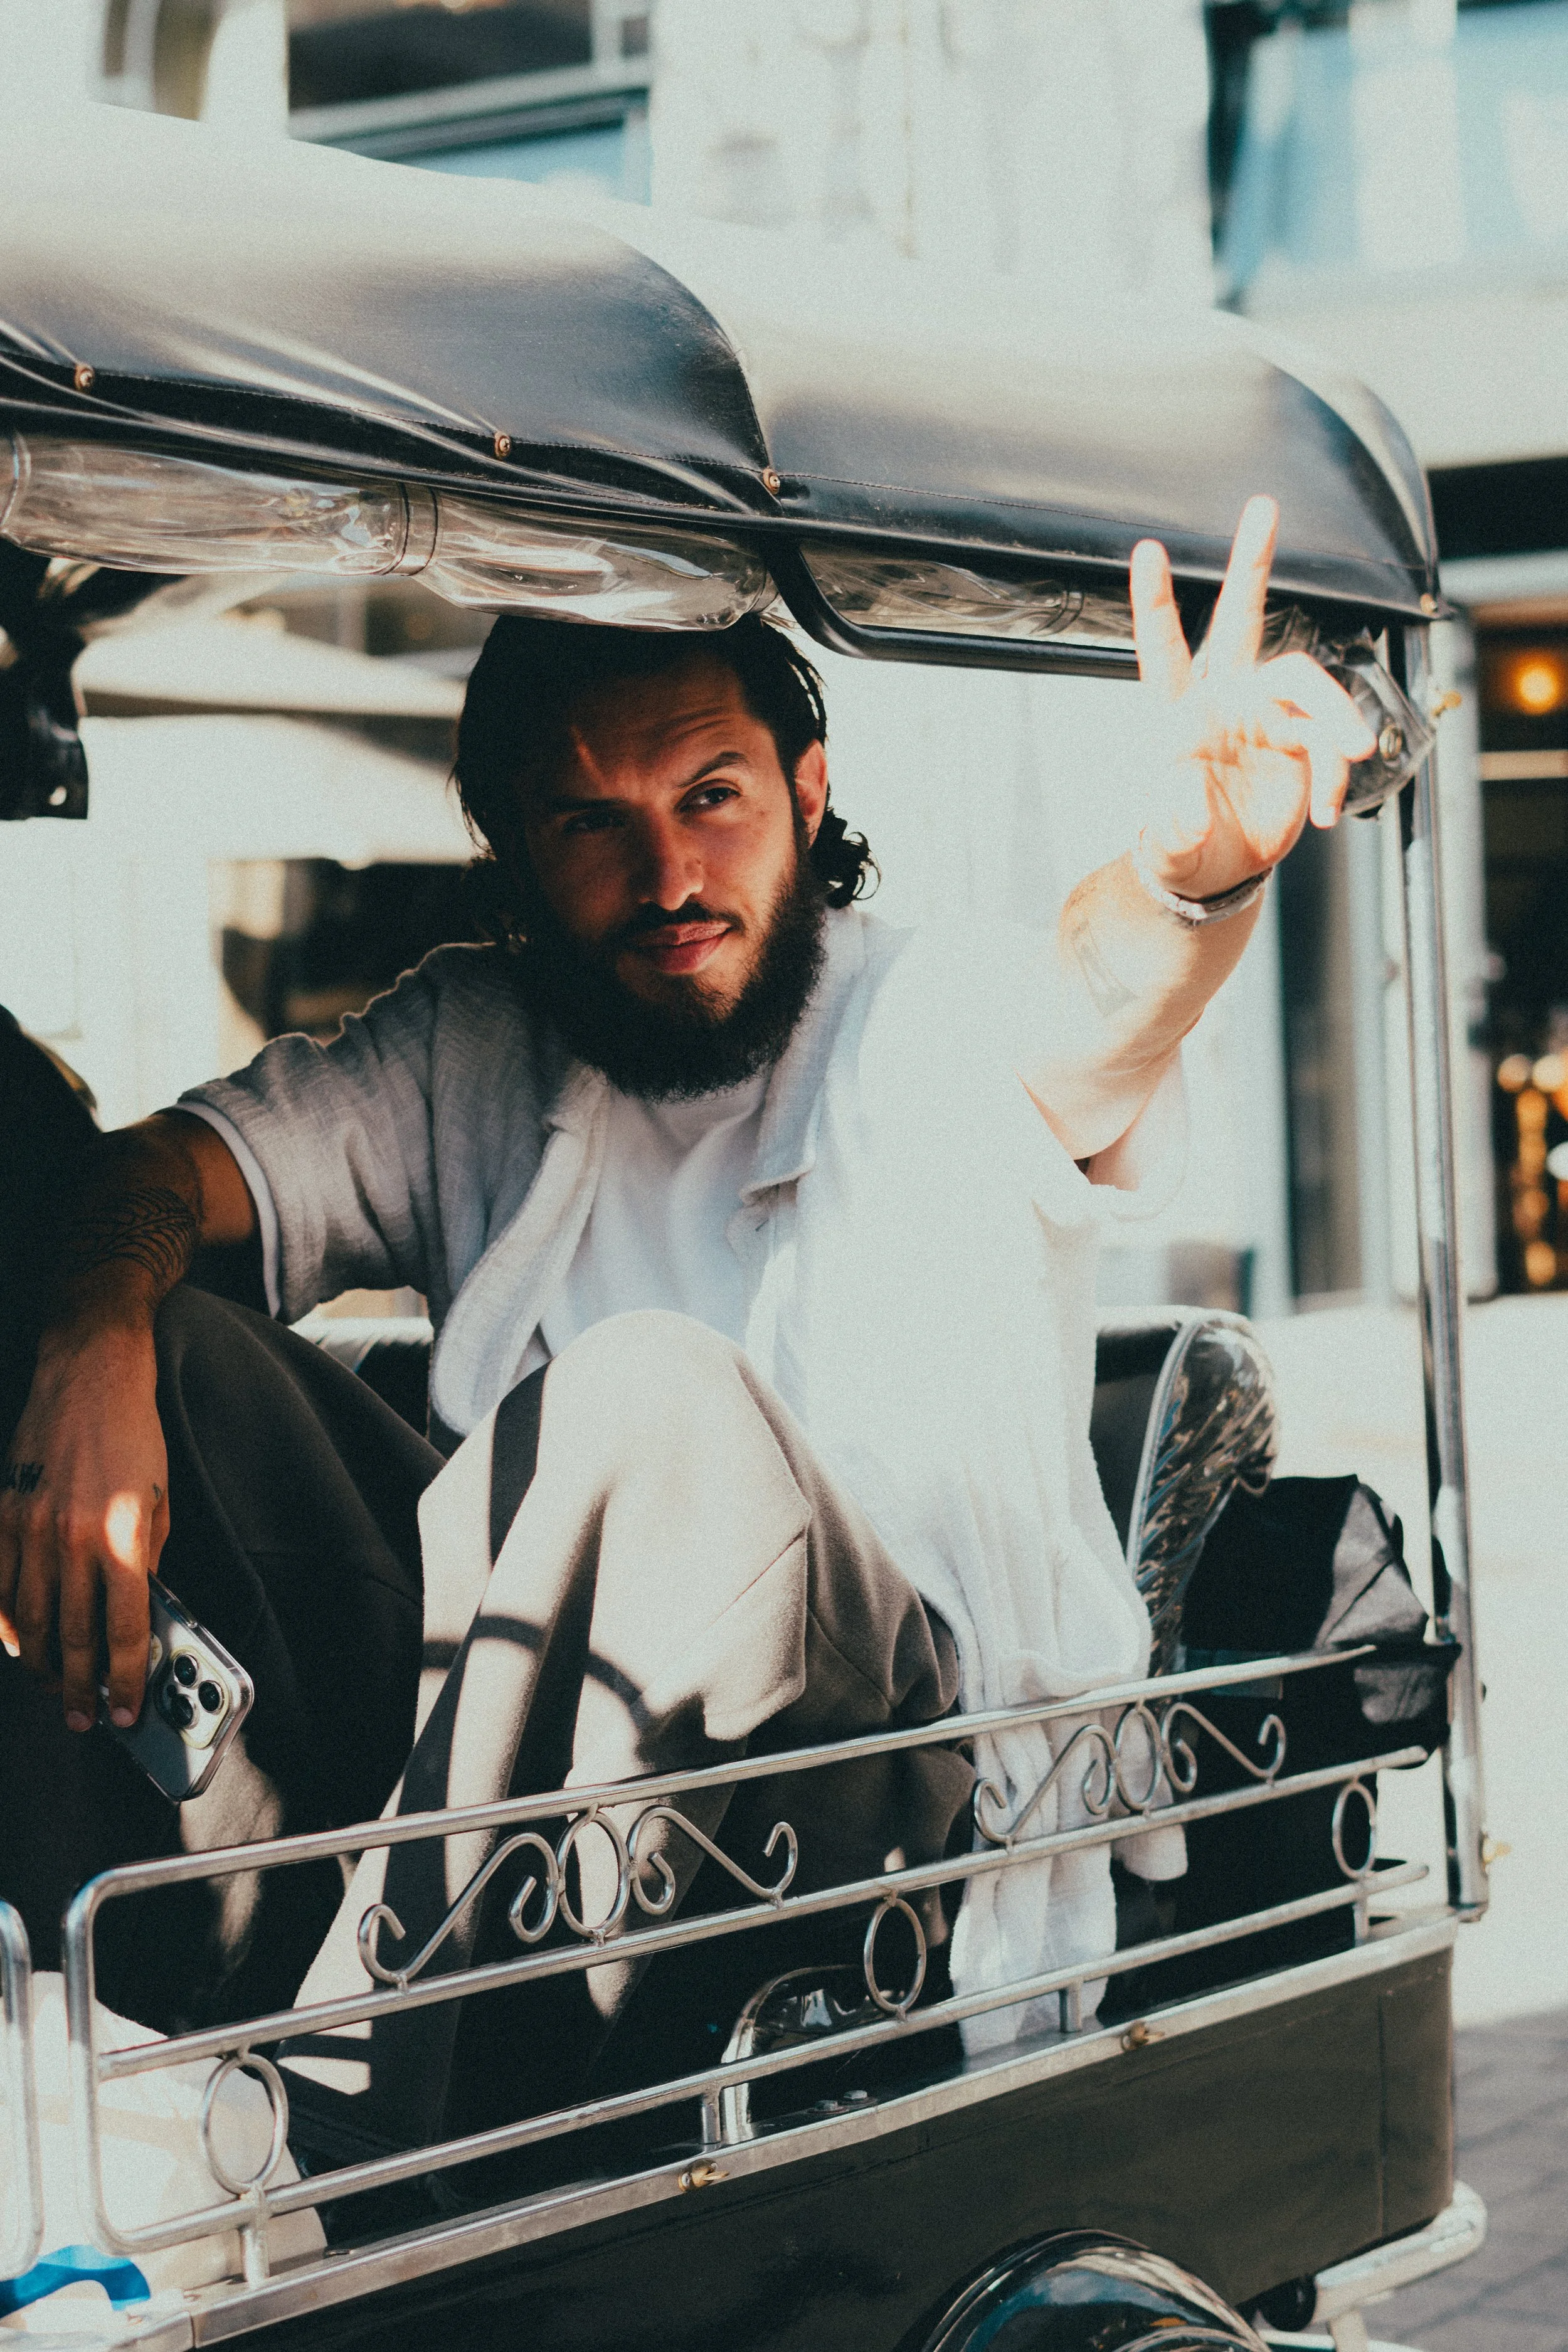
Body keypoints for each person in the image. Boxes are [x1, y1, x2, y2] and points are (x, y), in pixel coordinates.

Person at [0, 497, 1374, 2158]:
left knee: (650, 1400)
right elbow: (156, 1178)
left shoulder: (924, 1012)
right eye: (589, 823)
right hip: (524, 1773)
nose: (668, 874)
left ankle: (338, 2120)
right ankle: (97, 2034)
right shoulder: (472, 1046)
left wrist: (1189, 867)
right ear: (512, 848)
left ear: (805, 793)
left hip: (871, 1808)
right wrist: (93, 1339)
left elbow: (1100, 1000)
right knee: (184, 1348)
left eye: (708, 798)